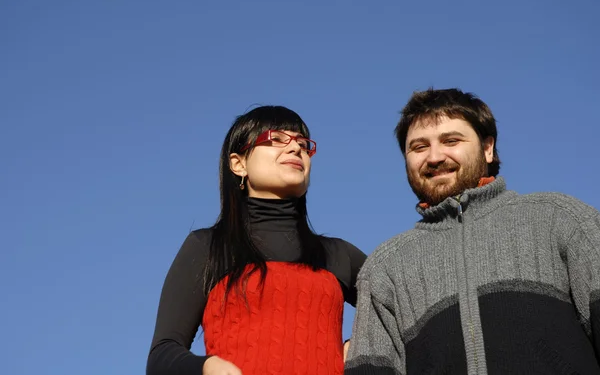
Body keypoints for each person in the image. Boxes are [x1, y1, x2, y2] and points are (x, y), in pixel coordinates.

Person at [344, 88, 600, 374]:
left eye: (451, 140)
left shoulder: (561, 219)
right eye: (418, 147)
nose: (435, 157)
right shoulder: (384, 270)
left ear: (487, 148)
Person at [146, 105, 366, 375]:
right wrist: (207, 367)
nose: (295, 148)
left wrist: (364, 347)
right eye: (276, 139)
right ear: (239, 164)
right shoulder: (208, 247)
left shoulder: (337, 254)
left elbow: (407, 310)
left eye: (302, 143)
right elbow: (162, 354)